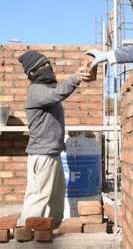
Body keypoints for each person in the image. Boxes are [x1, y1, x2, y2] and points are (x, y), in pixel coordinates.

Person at [17, 50, 90, 227]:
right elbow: (56, 95)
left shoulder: (45, 90)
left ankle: (52, 227)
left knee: (57, 197)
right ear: (32, 73)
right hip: (42, 154)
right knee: (38, 195)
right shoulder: (36, 90)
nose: (47, 68)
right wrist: (74, 79)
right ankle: (26, 229)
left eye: (47, 64)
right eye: (42, 66)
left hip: (53, 152)